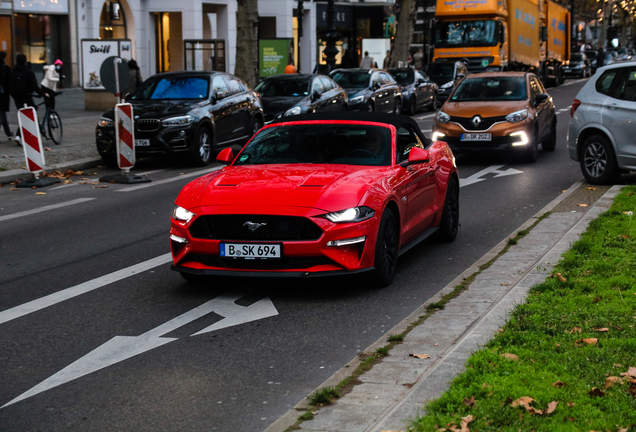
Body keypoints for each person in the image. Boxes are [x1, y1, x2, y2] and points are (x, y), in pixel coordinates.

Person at [10, 54, 47, 146]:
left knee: (24, 114)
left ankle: (28, 134)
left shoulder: (13, 72)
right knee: (30, 114)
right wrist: (43, 94)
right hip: (27, 96)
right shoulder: (28, 72)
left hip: (17, 98)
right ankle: (20, 136)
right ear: (25, 61)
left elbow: (9, 86)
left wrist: (14, 96)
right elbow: (34, 86)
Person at [0, 51, 13, 141]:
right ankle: (8, 133)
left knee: (2, 114)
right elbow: (9, 83)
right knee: (1, 113)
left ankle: (8, 132)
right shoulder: (6, 68)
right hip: (2, 94)